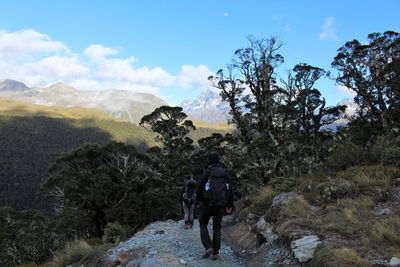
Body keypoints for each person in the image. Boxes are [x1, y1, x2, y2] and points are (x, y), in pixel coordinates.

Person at [196, 153, 234, 261]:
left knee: (203, 223)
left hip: (208, 204)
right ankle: (216, 252)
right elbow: (230, 190)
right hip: (221, 204)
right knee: (217, 227)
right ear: (218, 161)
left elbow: (198, 188)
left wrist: (200, 200)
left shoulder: (207, 173)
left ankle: (208, 246)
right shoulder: (224, 173)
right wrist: (230, 204)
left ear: (209, 162)